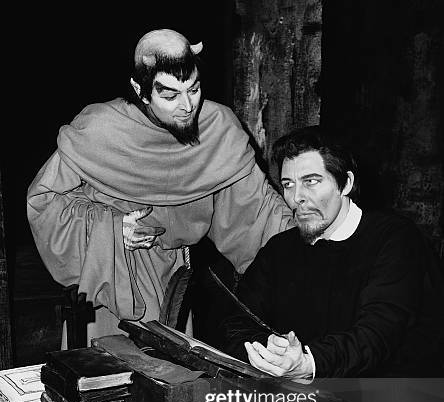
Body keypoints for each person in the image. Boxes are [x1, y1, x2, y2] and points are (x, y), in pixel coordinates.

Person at [27, 29, 294, 341]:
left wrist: (313, 243)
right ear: (139, 90)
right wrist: (110, 229)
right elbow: (43, 200)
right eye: (169, 96)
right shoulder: (100, 129)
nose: (186, 106)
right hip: (112, 280)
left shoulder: (217, 129)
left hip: (175, 286)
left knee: (172, 380)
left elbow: (257, 213)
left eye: (193, 90)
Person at [223, 126, 444, 379]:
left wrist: (308, 363)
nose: (297, 198)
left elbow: (378, 335)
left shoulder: (395, 239)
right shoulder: (279, 249)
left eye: (311, 182)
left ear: (346, 183)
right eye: (288, 184)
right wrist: (267, 349)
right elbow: (236, 322)